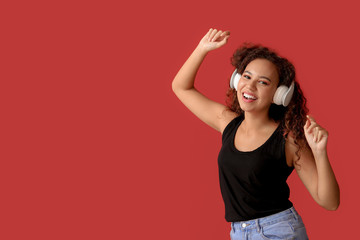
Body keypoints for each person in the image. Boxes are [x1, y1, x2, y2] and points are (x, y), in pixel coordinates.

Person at [171, 28, 340, 240]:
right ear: (236, 80)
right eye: (247, 76)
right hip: (239, 233)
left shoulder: (288, 141)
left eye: (263, 82)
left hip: (278, 231)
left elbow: (329, 202)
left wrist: (320, 152)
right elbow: (181, 87)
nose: (250, 86)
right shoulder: (227, 122)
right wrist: (202, 49)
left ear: (279, 95)